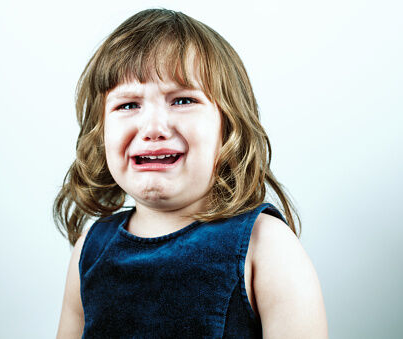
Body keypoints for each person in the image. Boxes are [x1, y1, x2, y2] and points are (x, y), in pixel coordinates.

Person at [54, 8, 328, 338]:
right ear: (101, 134)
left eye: (182, 100)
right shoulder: (90, 250)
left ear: (229, 128)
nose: (153, 127)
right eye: (128, 105)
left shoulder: (266, 244)